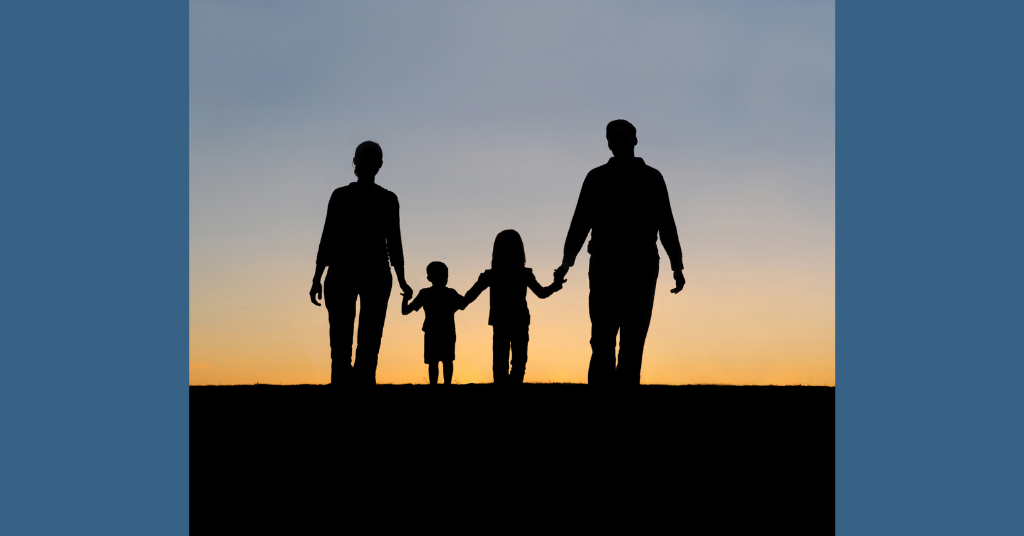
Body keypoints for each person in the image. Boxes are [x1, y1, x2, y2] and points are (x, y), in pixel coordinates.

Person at [553, 120, 686, 386]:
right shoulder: (598, 178)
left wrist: (677, 266)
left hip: (637, 267)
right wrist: (567, 262)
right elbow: (580, 222)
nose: (618, 141)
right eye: (613, 137)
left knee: (630, 339)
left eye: (621, 136)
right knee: (605, 338)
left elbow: (666, 223)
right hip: (609, 266)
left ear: (634, 140)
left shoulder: (651, 178)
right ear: (610, 144)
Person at [309, 141, 413, 387]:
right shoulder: (385, 199)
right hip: (368, 273)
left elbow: (328, 240)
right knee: (365, 347)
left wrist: (316, 277)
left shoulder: (344, 196)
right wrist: (402, 279)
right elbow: (394, 245)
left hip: (352, 272)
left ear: (355, 162)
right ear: (379, 165)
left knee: (345, 346)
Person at [462, 230, 565, 384]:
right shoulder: (523, 273)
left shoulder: (490, 275)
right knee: (519, 360)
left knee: (500, 360)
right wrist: (556, 285)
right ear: (520, 249)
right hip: (520, 320)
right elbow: (542, 293)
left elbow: (468, 298)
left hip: (500, 320)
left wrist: (450, 301)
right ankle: (514, 389)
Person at [401, 262, 465, 386]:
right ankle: (445, 386)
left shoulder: (425, 293)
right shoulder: (450, 293)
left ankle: (435, 386)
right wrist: (453, 308)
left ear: (429, 278)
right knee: (445, 360)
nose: (444, 278)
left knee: (435, 361)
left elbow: (405, 311)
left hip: (433, 331)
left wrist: (405, 298)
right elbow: (463, 303)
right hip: (446, 331)